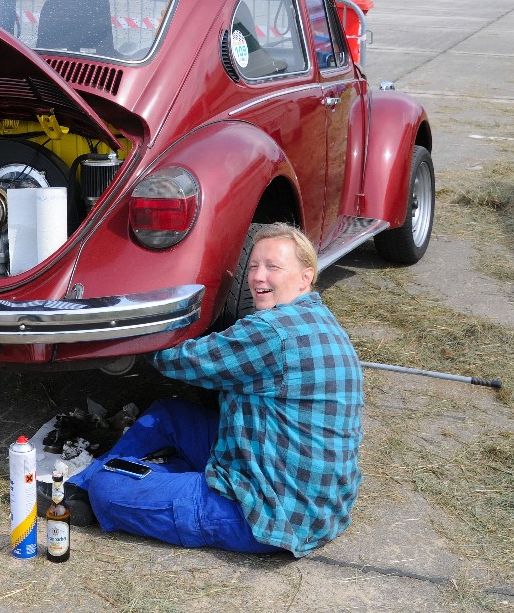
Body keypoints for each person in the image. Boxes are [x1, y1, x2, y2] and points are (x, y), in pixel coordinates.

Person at [63, 224, 364, 556]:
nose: (258, 277)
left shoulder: (271, 332)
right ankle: (85, 484)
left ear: (306, 276)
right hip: (314, 499)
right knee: (167, 415)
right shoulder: (318, 317)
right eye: (253, 266)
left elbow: (185, 361)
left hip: (268, 513)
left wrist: (124, 331)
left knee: (107, 489)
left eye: (273, 267)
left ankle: (102, 485)